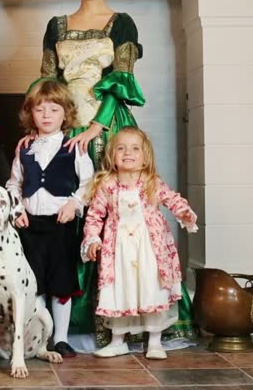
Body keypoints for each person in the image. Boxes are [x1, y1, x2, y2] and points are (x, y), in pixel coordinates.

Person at [34, 0, 197, 347]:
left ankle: (125, 319)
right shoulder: (55, 26)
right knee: (72, 216)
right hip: (67, 131)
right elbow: (50, 85)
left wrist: (97, 127)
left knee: (121, 217)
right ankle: (76, 323)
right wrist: (50, 128)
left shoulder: (121, 22)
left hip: (107, 127)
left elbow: (122, 79)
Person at [81, 127, 198, 360]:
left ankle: (154, 341)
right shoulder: (107, 184)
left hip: (149, 248)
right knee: (120, 290)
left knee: (150, 287)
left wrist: (184, 212)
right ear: (112, 155)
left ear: (145, 156)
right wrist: (93, 238)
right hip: (119, 249)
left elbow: (172, 199)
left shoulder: (151, 182)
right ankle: (118, 341)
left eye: (135, 149)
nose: (128, 153)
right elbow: (94, 215)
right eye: (121, 148)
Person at [5, 78, 94, 358]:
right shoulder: (25, 148)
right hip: (30, 226)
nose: (46, 116)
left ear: (65, 114)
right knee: (36, 282)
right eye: (40, 110)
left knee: (61, 283)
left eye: (54, 110)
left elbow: (89, 183)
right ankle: (40, 339)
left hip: (60, 225)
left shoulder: (74, 147)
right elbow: (14, 184)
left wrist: (74, 203)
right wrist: (16, 209)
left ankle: (61, 337)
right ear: (30, 113)